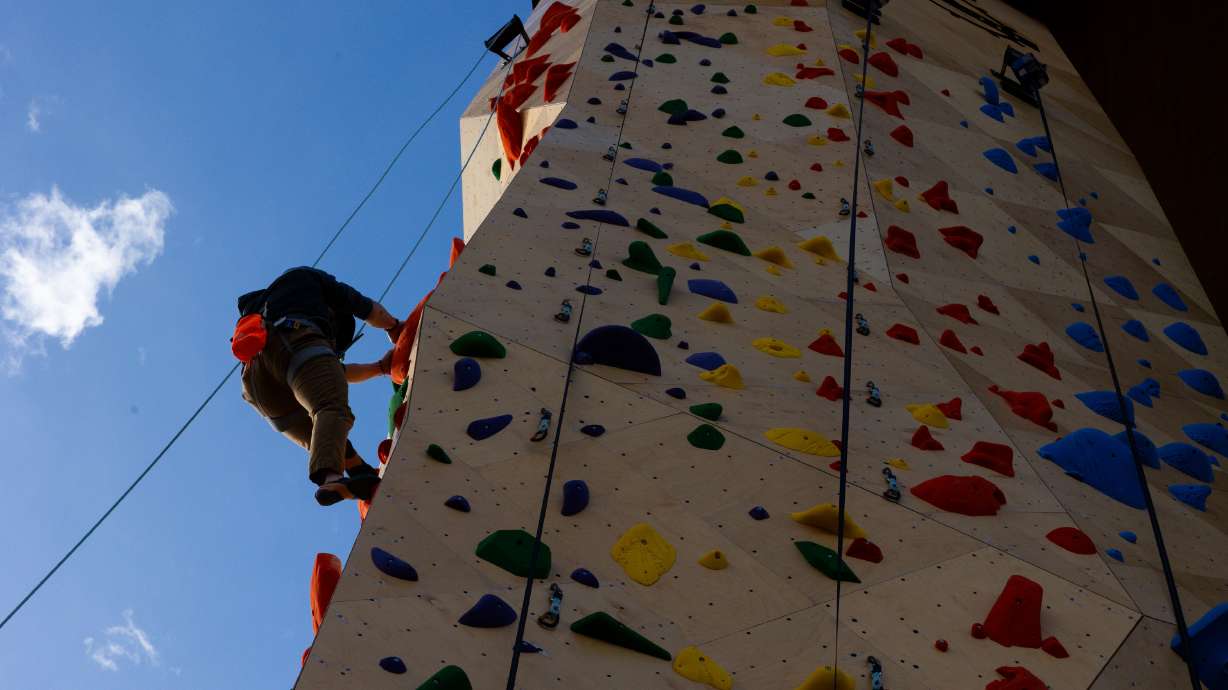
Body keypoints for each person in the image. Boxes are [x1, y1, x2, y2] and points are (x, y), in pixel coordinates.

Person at [236, 267, 402, 506]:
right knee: (331, 408)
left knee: (325, 433)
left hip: (257, 386)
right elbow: (364, 307)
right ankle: (332, 478)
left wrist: (380, 367)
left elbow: (331, 372)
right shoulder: (311, 284)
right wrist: (395, 326)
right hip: (292, 338)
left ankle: (359, 472)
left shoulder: (267, 310)